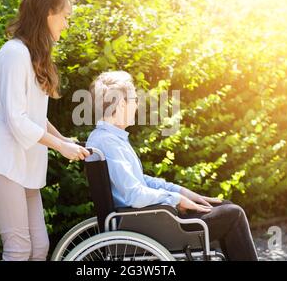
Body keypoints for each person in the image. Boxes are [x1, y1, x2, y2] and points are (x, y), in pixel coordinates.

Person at [0, 0, 90, 261]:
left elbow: (36, 117)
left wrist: (64, 141)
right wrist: (60, 148)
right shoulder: (14, 54)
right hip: (3, 164)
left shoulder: (34, 57)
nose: (67, 24)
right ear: (48, 13)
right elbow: (17, 119)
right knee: (19, 249)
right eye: (65, 17)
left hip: (23, 166)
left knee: (38, 248)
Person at [86, 71, 258, 261]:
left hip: (147, 218)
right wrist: (175, 199)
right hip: (147, 223)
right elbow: (134, 195)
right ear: (121, 104)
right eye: (134, 99)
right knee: (232, 214)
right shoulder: (109, 143)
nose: (137, 104)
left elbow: (141, 182)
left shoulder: (108, 139)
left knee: (223, 206)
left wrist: (183, 192)